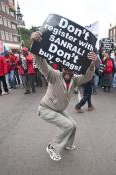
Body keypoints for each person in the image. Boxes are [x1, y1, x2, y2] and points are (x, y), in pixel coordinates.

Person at [30, 31, 96, 161]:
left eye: (70, 70)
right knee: (68, 126)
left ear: (73, 70)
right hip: (46, 109)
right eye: (65, 69)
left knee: (73, 125)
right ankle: (52, 147)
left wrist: (92, 64)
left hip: (58, 110)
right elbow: (41, 63)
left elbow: (88, 76)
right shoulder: (54, 75)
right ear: (62, 69)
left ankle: (68, 144)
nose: (67, 72)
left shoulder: (75, 79)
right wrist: (34, 43)